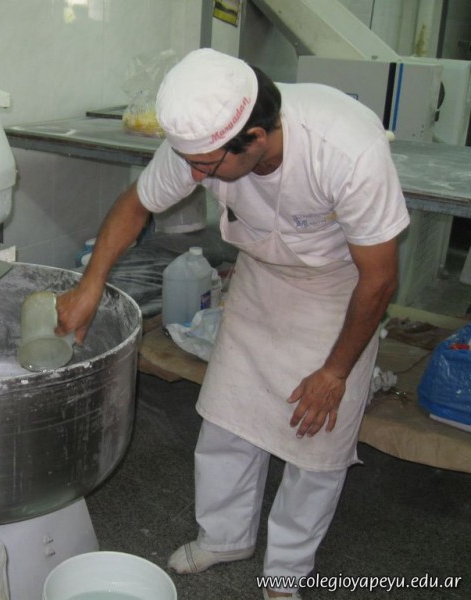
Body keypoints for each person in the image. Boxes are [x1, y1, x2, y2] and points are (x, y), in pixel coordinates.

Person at [56, 48, 410, 599]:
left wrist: (336, 371)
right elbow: (137, 204)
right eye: (190, 162)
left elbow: (380, 279)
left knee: (314, 443)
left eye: (206, 166)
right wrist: (90, 285)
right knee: (228, 417)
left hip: (338, 290)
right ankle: (224, 537)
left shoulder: (345, 149)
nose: (194, 175)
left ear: (257, 139)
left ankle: (286, 571)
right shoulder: (205, 138)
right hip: (260, 279)